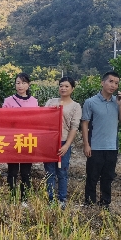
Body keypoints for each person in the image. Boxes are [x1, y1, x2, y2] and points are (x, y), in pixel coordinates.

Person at [81, 71, 121, 209]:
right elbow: (84, 123)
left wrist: (120, 104)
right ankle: (89, 203)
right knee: (92, 177)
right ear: (102, 82)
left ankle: (105, 203)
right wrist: (86, 144)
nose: (113, 85)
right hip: (95, 146)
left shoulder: (117, 102)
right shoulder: (90, 102)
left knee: (108, 177)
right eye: (110, 81)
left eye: (116, 83)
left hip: (112, 147)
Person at [43, 77, 82, 209]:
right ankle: (50, 198)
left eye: (66, 86)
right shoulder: (50, 102)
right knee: (49, 171)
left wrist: (66, 145)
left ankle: (62, 199)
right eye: (61, 86)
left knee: (62, 171)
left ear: (72, 89)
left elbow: (74, 127)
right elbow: (41, 117)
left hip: (63, 141)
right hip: (49, 141)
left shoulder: (75, 106)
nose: (63, 88)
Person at [2, 72, 39, 206]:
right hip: (12, 139)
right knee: (12, 171)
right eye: (18, 83)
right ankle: (12, 197)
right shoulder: (8, 100)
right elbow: (3, 120)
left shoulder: (34, 101)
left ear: (28, 85)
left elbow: (37, 120)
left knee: (26, 172)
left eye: (23, 83)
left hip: (28, 139)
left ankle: (24, 199)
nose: (20, 86)